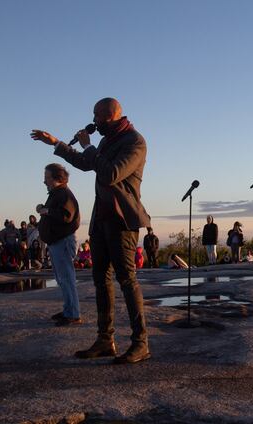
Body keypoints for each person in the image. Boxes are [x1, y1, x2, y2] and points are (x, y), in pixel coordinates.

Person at [32, 97, 151, 364]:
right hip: (101, 221)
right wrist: (57, 144)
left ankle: (140, 343)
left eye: (97, 117)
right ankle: (104, 339)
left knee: (127, 280)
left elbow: (111, 174)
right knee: (101, 280)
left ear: (110, 116)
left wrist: (89, 146)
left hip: (122, 221)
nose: (94, 122)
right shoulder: (108, 141)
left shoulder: (135, 141)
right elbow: (87, 164)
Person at [37, 163, 82, 326]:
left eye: (46, 178)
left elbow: (67, 215)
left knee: (66, 278)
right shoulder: (58, 193)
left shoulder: (63, 193)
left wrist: (47, 211)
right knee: (62, 278)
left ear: (56, 178)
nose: (44, 181)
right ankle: (69, 310)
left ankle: (73, 314)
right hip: (57, 241)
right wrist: (45, 209)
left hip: (62, 241)